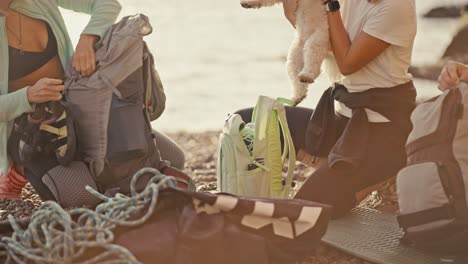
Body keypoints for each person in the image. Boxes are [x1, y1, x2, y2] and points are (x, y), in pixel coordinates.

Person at [236, 0, 417, 217]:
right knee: (245, 123)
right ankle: (329, 164)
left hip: (381, 130)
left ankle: (382, 172)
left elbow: (348, 64)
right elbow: (322, 38)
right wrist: (294, 12)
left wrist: (329, 4)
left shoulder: (396, 5)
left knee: (303, 211)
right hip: (341, 119)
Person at [0, 0, 185, 200]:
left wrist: (87, 38)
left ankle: (85, 157)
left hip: (75, 106)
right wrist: (28, 96)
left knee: (173, 158)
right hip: (32, 127)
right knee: (80, 196)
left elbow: (107, 3)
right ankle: (16, 170)